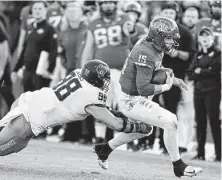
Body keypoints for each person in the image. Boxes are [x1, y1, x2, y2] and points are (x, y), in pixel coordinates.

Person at [93, 17, 202, 178]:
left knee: (145, 130)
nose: (172, 42)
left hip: (134, 94)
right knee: (170, 121)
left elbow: (153, 71)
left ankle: (104, 149)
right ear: (158, 36)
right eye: (169, 37)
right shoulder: (145, 52)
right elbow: (143, 88)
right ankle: (178, 165)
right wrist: (167, 85)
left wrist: (173, 78)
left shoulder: (153, 44)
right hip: (131, 99)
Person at [0, 60, 152, 157]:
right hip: (28, 120)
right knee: (9, 147)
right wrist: (138, 127)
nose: (106, 83)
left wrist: (122, 114)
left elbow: (103, 111)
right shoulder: (91, 95)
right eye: (103, 80)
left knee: (15, 143)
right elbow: (115, 124)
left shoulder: (79, 73)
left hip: (29, 99)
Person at [81, 0, 133, 143]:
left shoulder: (123, 18)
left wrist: (130, 28)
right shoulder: (93, 23)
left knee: (123, 104)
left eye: (111, 2)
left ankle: (124, 138)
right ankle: (99, 136)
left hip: (122, 70)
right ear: (100, 5)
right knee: (101, 103)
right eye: (105, 2)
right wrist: (82, 70)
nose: (108, 5)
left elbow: (130, 30)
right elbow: (88, 48)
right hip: (101, 73)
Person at [187, 27, 221, 162]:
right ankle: (200, 153)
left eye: (207, 36)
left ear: (212, 38)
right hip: (198, 92)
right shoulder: (198, 54)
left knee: (214, 122)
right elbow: (190, 73)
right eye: (202, 37)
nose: (205, 39)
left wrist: (200, 71)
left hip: (212, 92)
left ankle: (219, 155)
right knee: (200, 123)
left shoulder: (218, 53)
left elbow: (216, 71)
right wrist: (202, 71)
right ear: (199, 39)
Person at [12, 1, 57, 92]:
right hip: (27, 71)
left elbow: (53, 51)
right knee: (27, 99)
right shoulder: (31, 27)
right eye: (35, 9)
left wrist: (49, 70)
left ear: (45, 11)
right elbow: (25, 50)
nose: (37, 11)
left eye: (40, 9)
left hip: (40, 72)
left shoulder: (49, 29)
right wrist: (16, 69)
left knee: (39, 101)